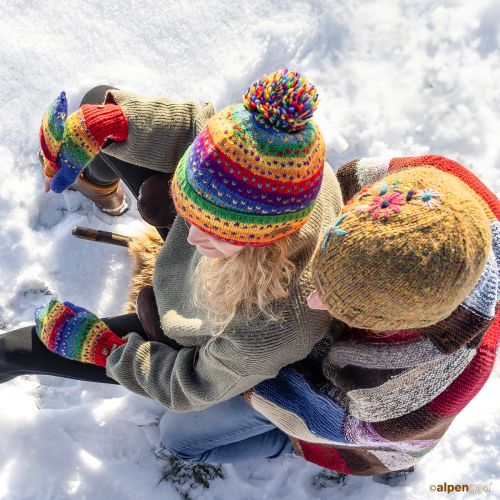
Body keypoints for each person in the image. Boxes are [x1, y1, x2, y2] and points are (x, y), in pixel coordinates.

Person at [0, 69, 345, 463]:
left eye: (213, 233)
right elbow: (193, 129)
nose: (191, 236)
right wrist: (109, 125)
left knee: (13, 350)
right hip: (197, 272)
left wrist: (107, 350)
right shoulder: (274, 161)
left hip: (192, 328)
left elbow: (191, 387)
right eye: (187, 211)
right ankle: (101, 189)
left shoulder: (270, 329)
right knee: (100, 102)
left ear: (266, 241)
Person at [245, 155, 500, 478]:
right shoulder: (421, 182)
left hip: (366, 439)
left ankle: (287, 446)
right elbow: (332, 191)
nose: (313, 299)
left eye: (347, 307)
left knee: (182, 439)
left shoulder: (426, 376)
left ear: (399, 320)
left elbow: (329, 420)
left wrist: (246, 375)